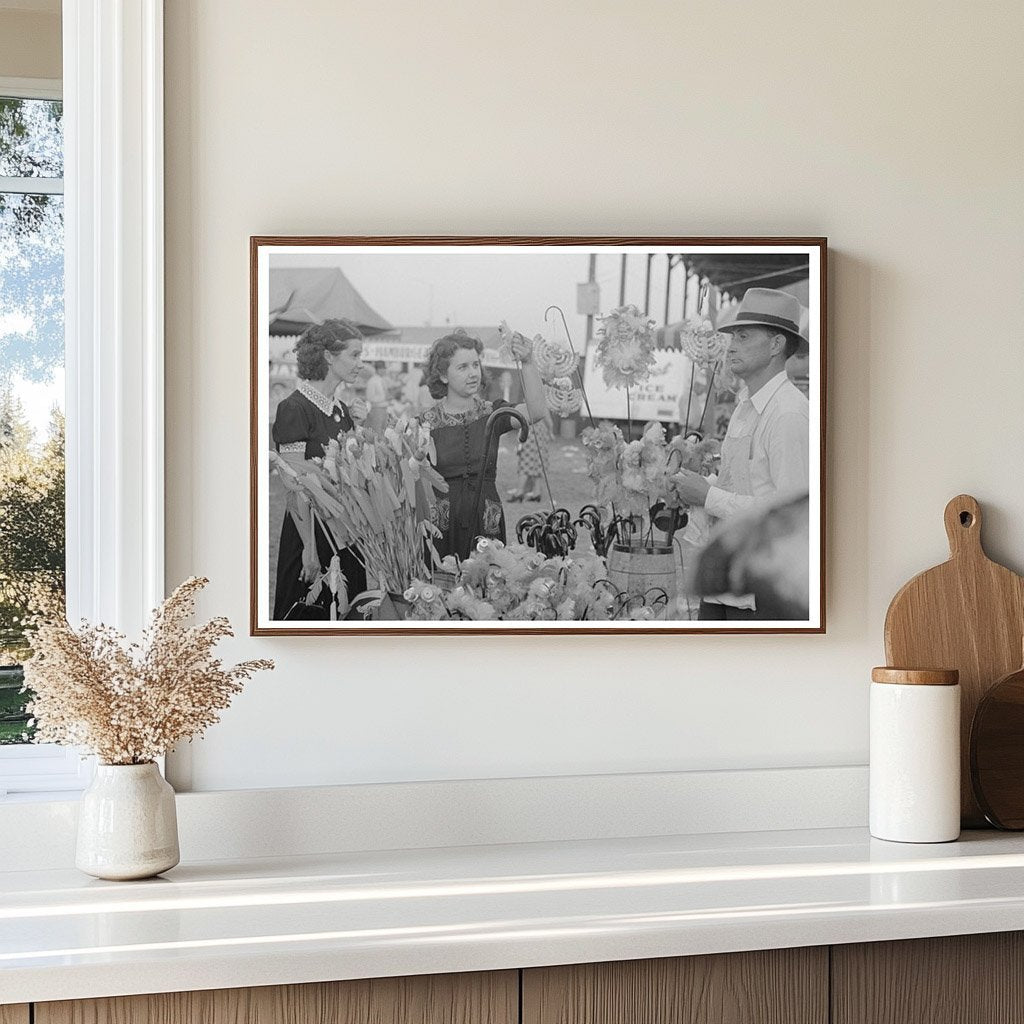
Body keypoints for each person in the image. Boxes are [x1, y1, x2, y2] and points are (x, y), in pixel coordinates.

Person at [671, 288, 810, 621]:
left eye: (743, 336)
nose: (731, 346)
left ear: (776, 345)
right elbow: (741, 483)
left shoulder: (789, 414)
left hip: (763, 594)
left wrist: (709, 496)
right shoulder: (746, 407)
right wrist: (693, 486)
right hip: (727, 586)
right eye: (733, 336)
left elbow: (792, 517)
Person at [271, 319, 369, 620]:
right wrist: (309, 549)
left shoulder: (341, 410)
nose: (360, 364)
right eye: (354, 355)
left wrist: (360, 427)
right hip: (310, 533)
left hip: (345, 534)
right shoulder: (294, 409)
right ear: (329, 356)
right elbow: (294, 485)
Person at [421, 328, 547, 561]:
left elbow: (536, 411)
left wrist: (528, 362)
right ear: (443, 375)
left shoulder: (493, 413)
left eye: (475, 365)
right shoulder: (426, 424)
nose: (472, 373)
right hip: (443, 524)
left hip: (486, 517)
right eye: (462, 367)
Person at [507, 413, 551, 502]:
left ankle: (519, 492)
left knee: (525, 462)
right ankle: (536, 493)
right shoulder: (543, 400)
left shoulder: (532, 399)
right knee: (538, 463)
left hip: (530, 430)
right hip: (541, 431)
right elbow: (548, 418)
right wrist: (550, 431)